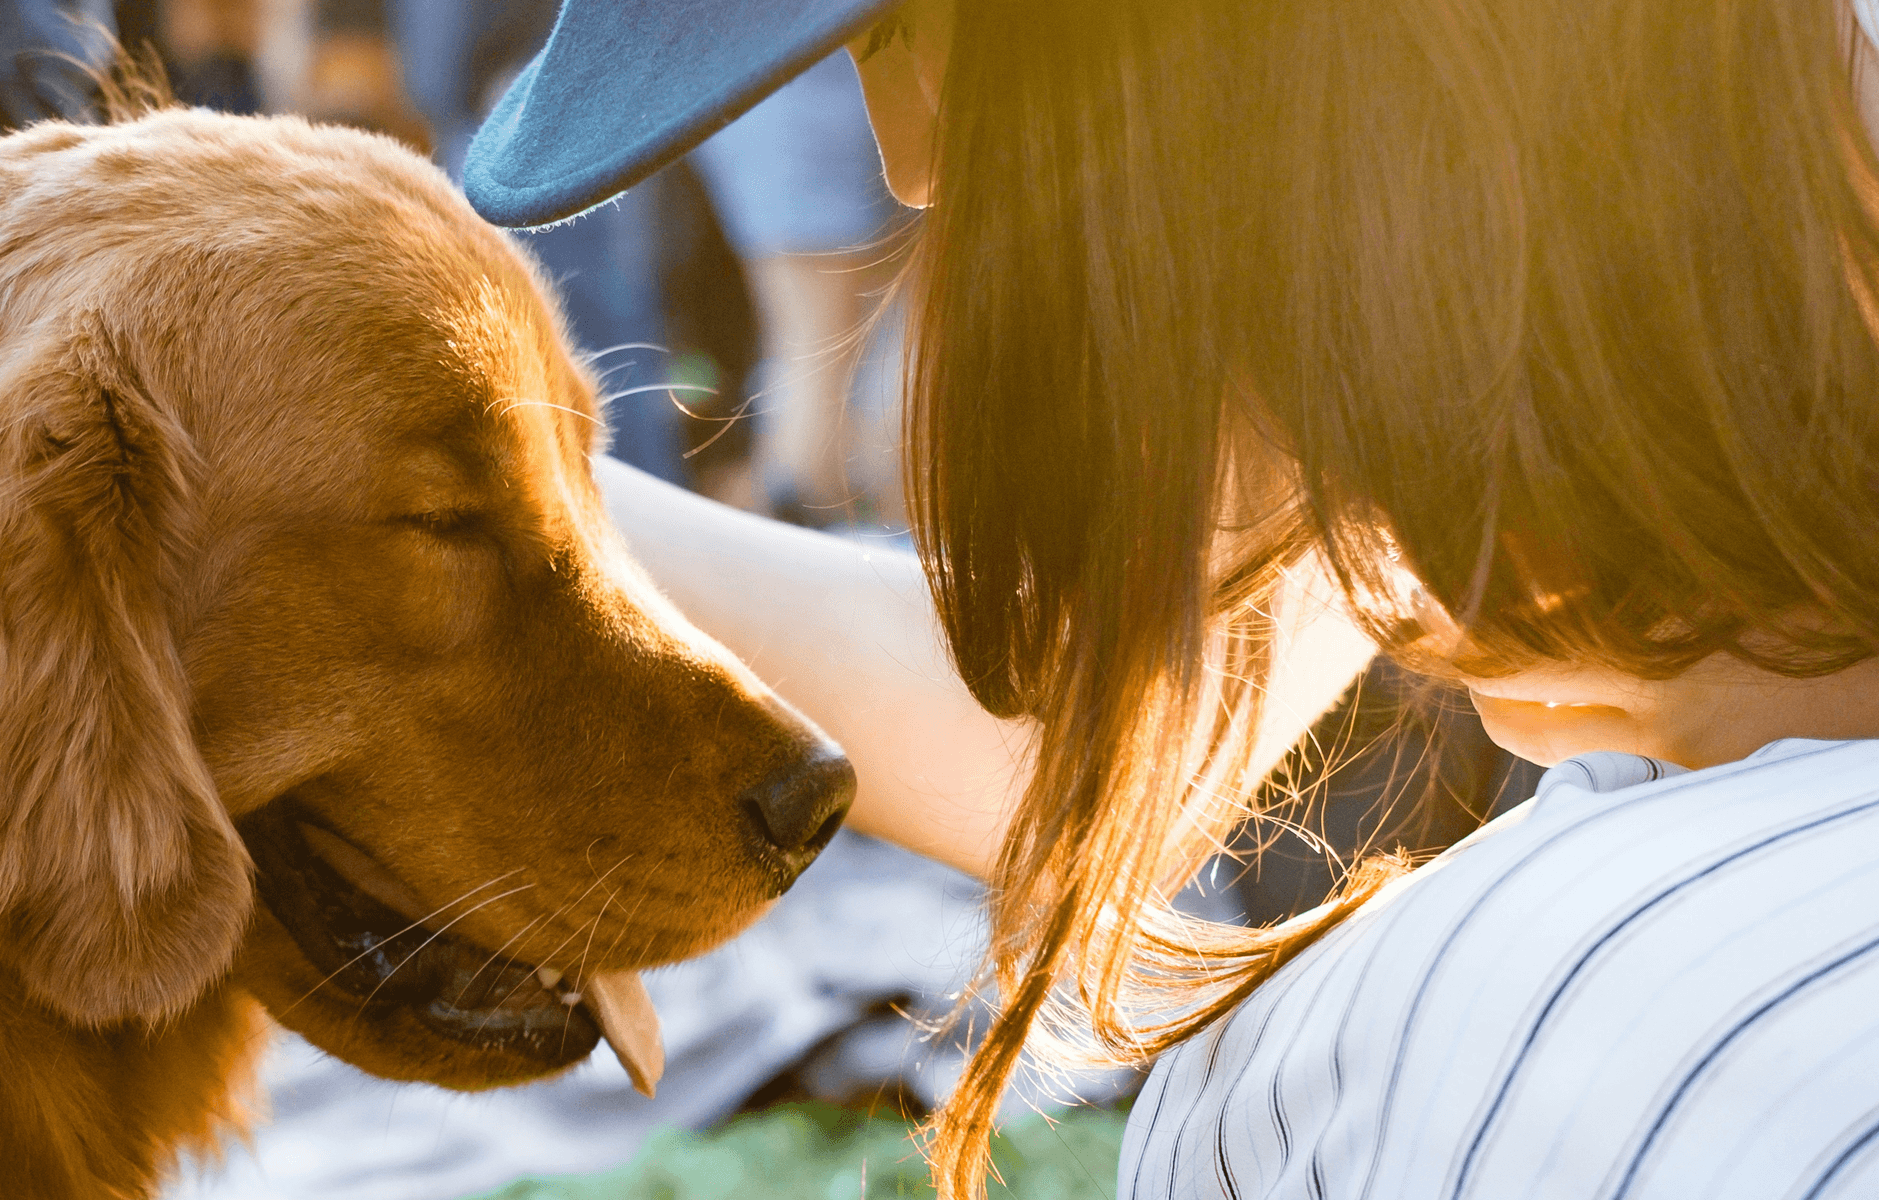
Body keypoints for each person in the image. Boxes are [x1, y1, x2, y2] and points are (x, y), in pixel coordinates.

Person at [460, 0, 1879, 1197]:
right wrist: (477, 495)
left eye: (895, 32)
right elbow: (1096, 733)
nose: (904, 163)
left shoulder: (1496, 1045)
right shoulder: (1618, 186)